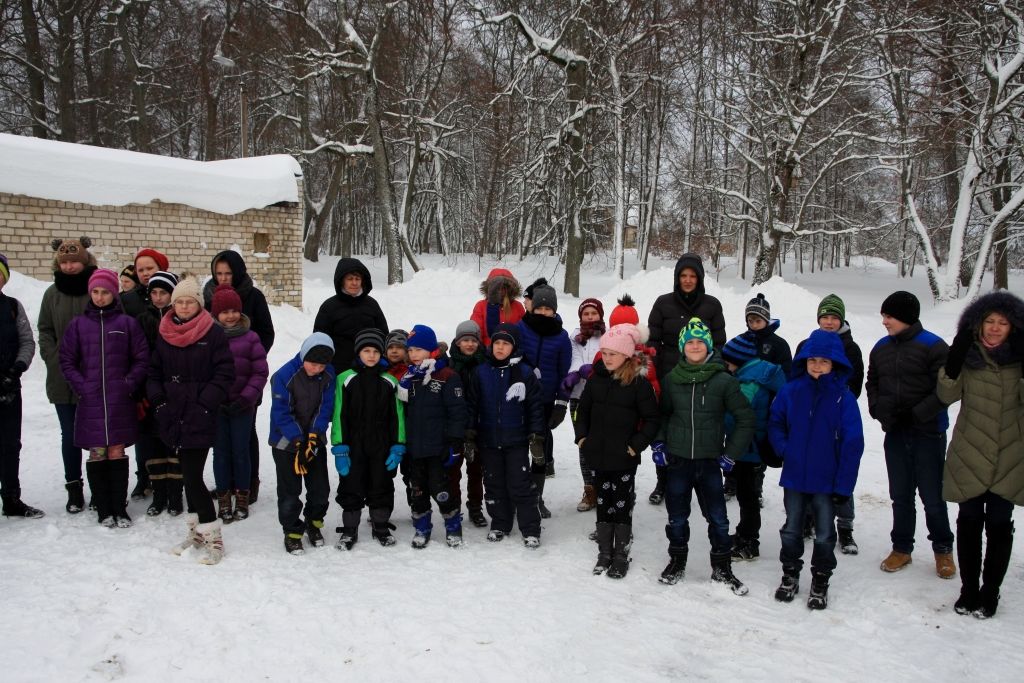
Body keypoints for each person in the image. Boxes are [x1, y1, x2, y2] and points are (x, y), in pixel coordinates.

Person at [937, 291, 1024, 618]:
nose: (995, 328)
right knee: (969, 522)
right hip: (970, 452)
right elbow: (946, 395)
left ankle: (991, 593)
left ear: (1013, 327)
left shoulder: (1019, 358)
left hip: (1009, 455)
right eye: (989, 321)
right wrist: (954, 361)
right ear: (979, 324)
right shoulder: (969, 356)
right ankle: (968, 590)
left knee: (1000, 525)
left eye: (1002, 322)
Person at [654, 318, 754, 594]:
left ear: (709, 346)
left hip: (710, 461)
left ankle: (722, 567)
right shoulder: (672, 380)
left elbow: (745, 419)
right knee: (677, 516)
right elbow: (662, 416)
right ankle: (677, 561)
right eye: (690, 342)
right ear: (682, 347)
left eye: (700, 342)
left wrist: (731, 454)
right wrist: (659, 444)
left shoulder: (723, 381)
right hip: (678, 460)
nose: (695, 346)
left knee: (719, 519)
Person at [769, 329, 864, 610]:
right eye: (813, 361)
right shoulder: (792, 390)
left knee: (824, 533)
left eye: (824, 361)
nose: (818, 366)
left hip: (827, 479)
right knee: (791, 529)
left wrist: (844, 486)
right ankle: (790, 574)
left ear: (835, 364)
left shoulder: (843, 398)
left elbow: (853, 443)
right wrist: (785, 449)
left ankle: (820, 580)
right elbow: (775, 422)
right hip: (796, 476)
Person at [866, 290, 954, 578]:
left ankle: (943, 549)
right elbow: (873, 382)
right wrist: (878, 409)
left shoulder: (934, 346)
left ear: (904, 317)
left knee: (932, 495)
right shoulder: (881, 347)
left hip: (927, 433)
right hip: (895, 432)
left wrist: (915, 415)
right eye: (883, 316)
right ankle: (901, 548)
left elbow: (945, 392)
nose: (884, 322)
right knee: (900, 495)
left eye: (888, 316)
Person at [147, 276, 234, 565]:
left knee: (193, 476)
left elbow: (224, 373)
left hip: (200, 413)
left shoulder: (213, 333)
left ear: (199, 304)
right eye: (180, 301)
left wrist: (205, 403)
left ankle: (214, 537)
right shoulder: (165, 332)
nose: (184, 306)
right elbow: (154, 372)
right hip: (173, 413)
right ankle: (196, 532)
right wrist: (159, 402)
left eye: (190, 302)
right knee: (187, 475)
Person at [58, 269, 149, 527]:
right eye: (96, 292)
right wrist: (82, 386)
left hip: (119, 400)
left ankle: (119, 507)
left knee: (117, 451)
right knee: (97, 452)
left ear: (114, 293)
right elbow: (67, 360)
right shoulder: (78, 325)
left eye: (105, 292)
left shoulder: (126, 324)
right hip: (91, 400)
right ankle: (103, 507)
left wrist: (128, 383)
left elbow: (141, 358)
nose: (100, 297)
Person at [574, 323, 659, 578]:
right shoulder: (595, 379)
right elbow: (583, 411)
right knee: (603, 503)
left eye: (613, 353)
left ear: (626, 355)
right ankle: (604, 553)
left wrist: (636, 445)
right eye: (605, 352)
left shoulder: (638, 383)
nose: (607, 358)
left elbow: (653, 419)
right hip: (598, 455)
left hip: (624, 457)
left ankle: (620, 553)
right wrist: (581, 438)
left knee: (620, 505)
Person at [647, 253, 726, 506]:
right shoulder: (663, 303)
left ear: (700, 278)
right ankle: (663, 480)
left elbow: (719, 344)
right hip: (668, 376)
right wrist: (654, 374)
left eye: (693, 276)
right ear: (677, 278)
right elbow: (653, 341)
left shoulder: (712, 305)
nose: (688, 280)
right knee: (667, 427)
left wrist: (714, 372)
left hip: (701, 377)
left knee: (693, 427)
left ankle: (700, 480)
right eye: (684, 275)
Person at [202, 250, 276, 503]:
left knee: (246, 433)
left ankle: (248, 483)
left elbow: (267, 332)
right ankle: (227, 483)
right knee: (221, 439)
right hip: (217, 382)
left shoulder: (253, 296)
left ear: (238, 272)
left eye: (228, 273)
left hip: (246, 380)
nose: (223, 278)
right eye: (218, 273)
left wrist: (250, 356)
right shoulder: (208, 295)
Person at [794, 292, 865, 551]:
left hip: (836, 419)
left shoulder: (851, 348)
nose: (829, 322)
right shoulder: (808, 343)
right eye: (825, 316)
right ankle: (809, 519)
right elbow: (797, 378)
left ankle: (845, 527)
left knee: (839, 472)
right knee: (811, 472)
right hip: (810, 419)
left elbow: (855, 385)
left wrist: (835, 403)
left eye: (834, 317)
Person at [465, 323, 545, 547]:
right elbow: (472, 405)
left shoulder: (525, 373)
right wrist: (470, 434)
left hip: (516, 441)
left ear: (514, 347)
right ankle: (500, 523)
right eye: (497, 343)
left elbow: (535, 408)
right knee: (494, 484)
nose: (500, 348)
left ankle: (530, 528)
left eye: (505, 343)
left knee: (521, 485)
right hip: (489, 440)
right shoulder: (480, 372)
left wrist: (535, 437)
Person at [37, 236, 98, 514]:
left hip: (95, 374)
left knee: (98, 434)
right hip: (62, 376)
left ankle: (99, 488)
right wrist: (53, 358)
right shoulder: (52, 294)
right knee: (70, 434)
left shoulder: (97, 289)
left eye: (75, 261)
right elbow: (45, 330)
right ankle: (74, 488)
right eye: (65, 262)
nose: (70, 266)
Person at [330, 329, 405, 549]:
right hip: (353, 444)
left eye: (375, 351)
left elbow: (397, 416)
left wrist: (398, 445)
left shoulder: (389, 381)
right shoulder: (345, 379)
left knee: (381, 483)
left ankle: (380, 525)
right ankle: (349, 529)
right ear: (358, 353)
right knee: (351, 484)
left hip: (381, 444)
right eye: (366, 351)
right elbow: (338, 414)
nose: (371, 355)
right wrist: (340, 447)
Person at [400, 324, 467, 548]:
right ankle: (421, 527)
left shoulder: (447, 376)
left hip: (438, 447)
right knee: (417, 490)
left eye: (418, 349)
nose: (414, 355)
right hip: (414, 448)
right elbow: (402, 414)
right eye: (410, 351)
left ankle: (453, 526)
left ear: (431, 349)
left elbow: (457, 413)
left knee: (442, 490)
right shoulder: (408, 378)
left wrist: (455, 443)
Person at [720, 333, 786, 561]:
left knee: (748, 497)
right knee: (747, 495)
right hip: (752, 447)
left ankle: (749, 542)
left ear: (738, 360)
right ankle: (744, 534)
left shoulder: (749, 383)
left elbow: (737, 416)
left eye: (728, 362)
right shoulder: (756, 374)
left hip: (750, 449)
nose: (726, 366)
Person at [268, 333, 336, 554]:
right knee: (290, 491)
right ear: (303, 356)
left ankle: (313, 524)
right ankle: (292, 532)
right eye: (313, 364)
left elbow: (325, 407)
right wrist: (299, 441)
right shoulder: (284, 376)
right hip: (287, 443)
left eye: (321, 365)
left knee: (320, 489)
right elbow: (282, 413)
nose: (317, 369)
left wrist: (315, 436)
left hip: (314, 441)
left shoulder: (328, 374)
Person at [211, 284, 269, 525]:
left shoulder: (251, 337)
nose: (231, 316)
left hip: (243, 406)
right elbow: (203, 371)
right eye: (225, 312)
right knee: (221, 453)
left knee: (241, 451)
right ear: (216, 314)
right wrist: (211, 397)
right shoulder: (209, 337)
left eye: (234, 310)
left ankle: (242, 495)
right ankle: (224, 496)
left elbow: (259, 372)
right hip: (216, 406)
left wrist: (246, 398)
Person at [119, 247, 171, 500]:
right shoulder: (128, 300)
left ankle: (171, 480)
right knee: (144, 430)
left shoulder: (172, 297)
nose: (145, 273)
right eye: (141, 270)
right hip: (140, 374)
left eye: (150, 268)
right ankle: (143, 478)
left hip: (167, 376)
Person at [516, 284, 572, 517]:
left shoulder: (561, 337)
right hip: (520, 397)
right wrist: (528, 370)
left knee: (540, 449)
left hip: (546, 400)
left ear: (554, 310)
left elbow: (565, 373)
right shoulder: (520, 328)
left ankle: (537, 497)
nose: (543, 312)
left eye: (548, 309)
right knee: (518, 448)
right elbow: (514, 354)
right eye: (539, 308)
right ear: (533, 308)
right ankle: (520, 496)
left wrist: (561, 403)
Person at [136, 271, 184, 516]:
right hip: (150, 389)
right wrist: (142, 391)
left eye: (163, 293)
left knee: (173, 443)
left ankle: (176, 495)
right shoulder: (142, 320)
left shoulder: (179, 320)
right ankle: (159, 494)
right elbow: (137, 355)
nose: (158, 297)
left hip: (175, 390)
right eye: (153, 293)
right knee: (153, 443)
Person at [0, 253, 44, 518]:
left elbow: (27, 341)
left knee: (9, 444)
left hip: (8, 385)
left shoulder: (12, 307)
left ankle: (11, 499)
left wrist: (17, 368)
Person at [563, 297, 605, 512]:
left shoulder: (608, 336)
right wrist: (576, 372)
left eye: (593, 313)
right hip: (578, 396)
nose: (590, 317)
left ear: (600, 315)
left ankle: (604, 487)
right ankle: (589, 489)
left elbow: (608, 359)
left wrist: (594, 368)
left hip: (601, 397)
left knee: (602, 442)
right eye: (586, 314)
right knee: (583, 442)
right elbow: (574, 358)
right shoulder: (575, 336)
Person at [314, 258, 388, 375]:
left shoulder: (372, 304)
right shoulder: (329, 306)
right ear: (342, 281)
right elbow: (320, 339)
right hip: (339, 368)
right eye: (350, 279)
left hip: (369, 367)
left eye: (357, 279)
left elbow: (384, 335)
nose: (354, 283)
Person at [447, 320, 488, 528]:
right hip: (455, 426)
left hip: (479, 426)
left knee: (476, 469)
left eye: (473, 340)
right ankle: (453, 507)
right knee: (453, 470)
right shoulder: (449, 365)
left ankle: (475, 507)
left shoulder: (485, 364)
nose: (470, 344)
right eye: (465, 340)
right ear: (457, 342)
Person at [470, 268, 526, 346]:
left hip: (511, 352)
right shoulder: (481, 306)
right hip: (487, 351)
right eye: (496, 287)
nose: (500, 290)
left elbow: (523, 332)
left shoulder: (518, 306)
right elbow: (476, 332)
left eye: (504, 287)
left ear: (510, 289)